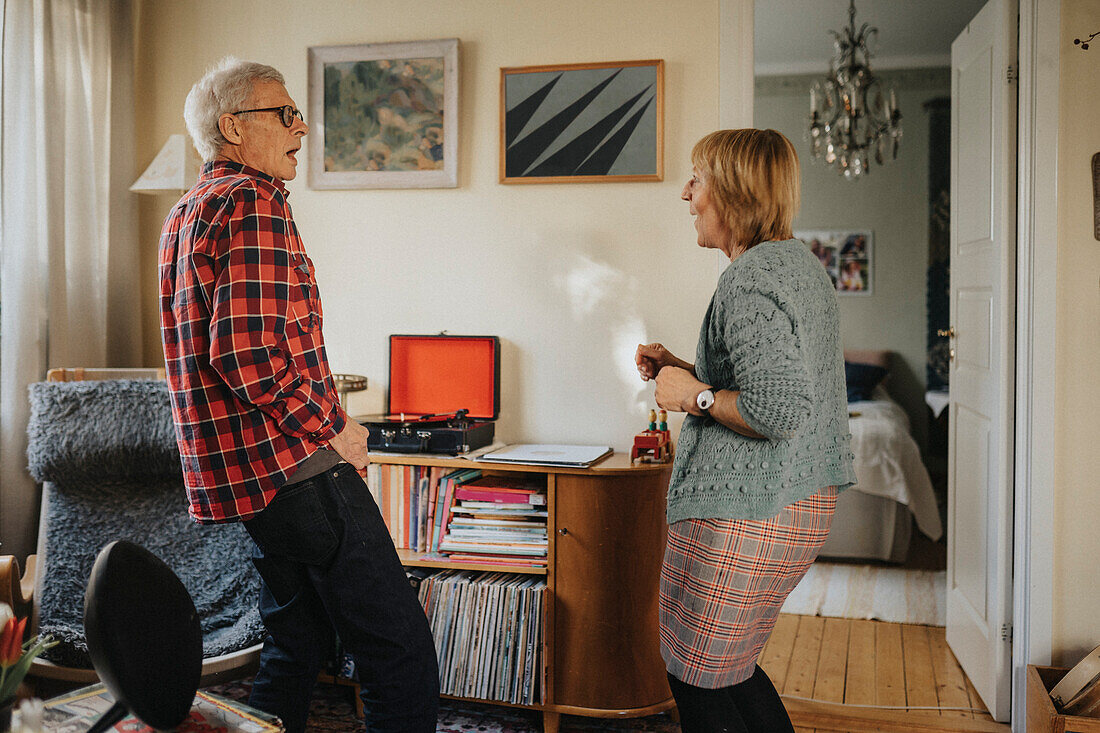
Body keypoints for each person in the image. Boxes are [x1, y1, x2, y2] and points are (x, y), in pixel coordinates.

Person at [159, 57, 438, 733]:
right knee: (400, 652)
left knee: (296, 644)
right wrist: (335, 428)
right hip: (296, 469)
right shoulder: (252, 202)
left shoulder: (188, 210)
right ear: (233, 127)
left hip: (251, 483)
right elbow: (247, 355)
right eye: (284, 114)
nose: (303, 127)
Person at [634, 129, 855, 733]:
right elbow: (776, 382)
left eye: (697, 178)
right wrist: (687, 371)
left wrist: (694, 396)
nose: (686, 193)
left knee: (695, 677)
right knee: (732, 667)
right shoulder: (799, 267)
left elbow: (779, 410)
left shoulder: (749, 279)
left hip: (745, 513)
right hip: (798, 504)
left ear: (731, 190)